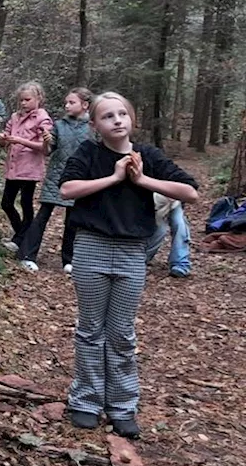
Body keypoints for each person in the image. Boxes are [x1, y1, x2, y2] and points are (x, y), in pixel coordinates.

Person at [59, 91, 198, 438]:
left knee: (121, 333)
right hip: (91, 247)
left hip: (132, 253)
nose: (117, 120)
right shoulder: (89, 153)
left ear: (132, 119)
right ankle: (87, 401)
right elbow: (67, 189)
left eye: (122, 114)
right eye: (107, 116)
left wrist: (140, 180)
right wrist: (114, 178)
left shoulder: (147, 156)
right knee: (91, 329)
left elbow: (190, 192)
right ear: (94, 124)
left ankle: (122, 405)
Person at [17, 87, 92, 273]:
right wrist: (46, 140)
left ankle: (69, 260)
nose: (67, 105)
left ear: (85, 105)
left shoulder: (92, 127)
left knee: (73, 221)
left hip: (81, 179)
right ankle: (27, 255)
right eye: (66, 102)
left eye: (71, 102)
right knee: (43, 215)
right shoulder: (59, 125)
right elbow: (48, 150)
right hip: (56, 176)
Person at [0, 82, 53, 252]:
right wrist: (3, 139)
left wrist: (20, 140)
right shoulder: (15, 117)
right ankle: (22, 234)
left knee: (26, 203)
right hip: (13, 167)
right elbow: (5, 142)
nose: (23, 103)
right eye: (21, 100)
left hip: (30, 168)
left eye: (27, 100)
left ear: (38, 99)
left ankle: (19, 239)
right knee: (6, 202)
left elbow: (45, 148)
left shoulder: (42, 118)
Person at [146, 193, 191, 277]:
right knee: (160, 230)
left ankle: (181, 263)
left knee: (179, 225)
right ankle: (142, 259)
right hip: (152, 200)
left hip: (173, 196)